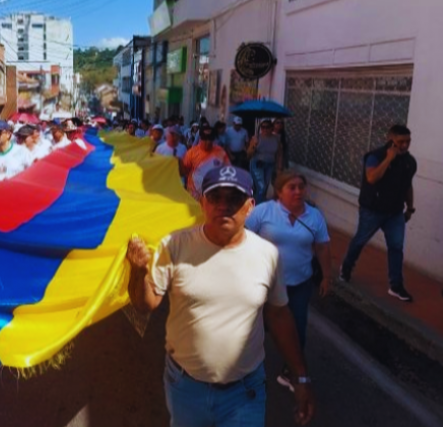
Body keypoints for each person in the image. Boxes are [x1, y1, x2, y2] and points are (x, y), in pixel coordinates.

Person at [126, 165, 314, 427]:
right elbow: (146, 304)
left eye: (234, 199)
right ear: (203, 202)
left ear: (250, 206)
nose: (223, 206)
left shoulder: (267, 255)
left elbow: (279, 315)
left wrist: (301, 377)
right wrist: (137, 273)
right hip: (185, 389)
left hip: (245, 393)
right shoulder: (175, 245)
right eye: (215, 197)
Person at [246, 170, 332, 391]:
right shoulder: (264, 211)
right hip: (264, 284)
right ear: (279, 191)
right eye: (291, 187)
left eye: (301, 187)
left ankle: (290, 371)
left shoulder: (314, 216)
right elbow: (243, 237)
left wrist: (326, 276)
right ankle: (243, 365)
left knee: (298, 328)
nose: (297, 191)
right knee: (254, 326)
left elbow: (322, 247)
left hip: (299, 284)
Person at [340, 124, 417, 302]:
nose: (405, 145)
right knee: (360, 241)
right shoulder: (375, 157)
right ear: (390, 140)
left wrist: (410, 208)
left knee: (396, 247)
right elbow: (372, 177)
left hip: (395, 213)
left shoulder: (409, 162)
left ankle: (396, 285)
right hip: (372, 211)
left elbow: (408, 185)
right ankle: (346, 267)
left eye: (408, 141)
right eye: (400, 142)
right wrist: (389, 159)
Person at [182, 126, 231, 201]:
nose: (208, 142)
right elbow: (184, 171)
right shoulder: (191, 153)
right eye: (205, 139)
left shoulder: (220, 152)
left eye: (210, 139)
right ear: (200, 138)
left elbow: (228, 170)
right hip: (194, 195)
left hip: (213, 194)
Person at [247, 120, 282, 204]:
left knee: (265, 187)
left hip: (270, 164)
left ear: (271, 128)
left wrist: (279, 167)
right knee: (261, 187)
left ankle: (258, 203)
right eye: (263, 127)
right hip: (258, 164)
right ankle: (257, 207)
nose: (265, 129)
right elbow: (248, 154)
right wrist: (253, 146)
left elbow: (279, 154)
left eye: (267, 127)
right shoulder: (256, 138)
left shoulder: (276, 139)